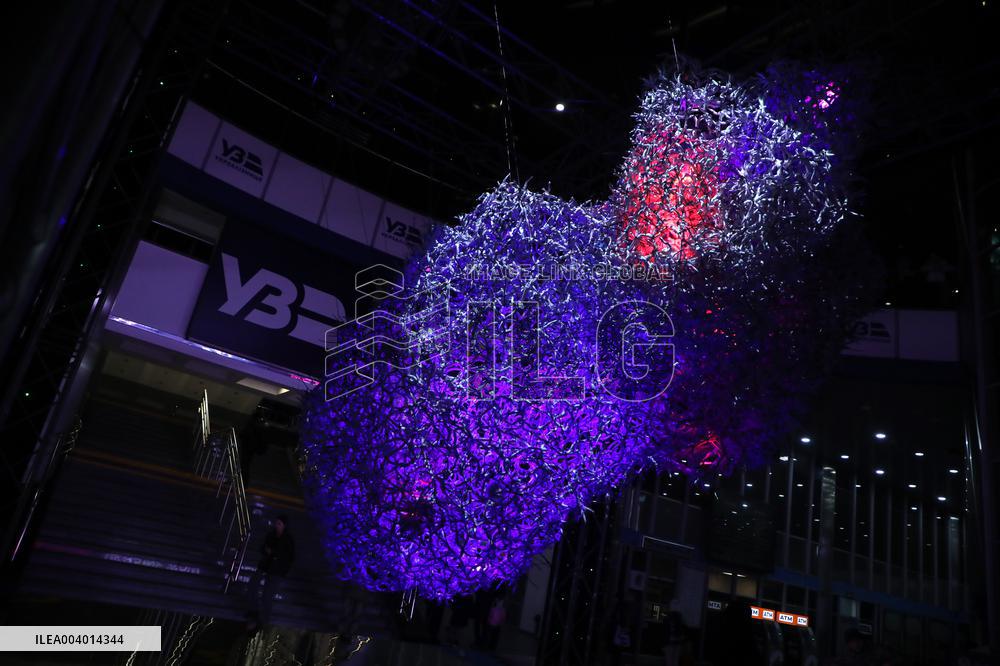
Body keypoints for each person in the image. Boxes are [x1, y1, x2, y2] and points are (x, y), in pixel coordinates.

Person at [247, 515, 295, 626]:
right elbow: (263, 547)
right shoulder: (271, 535)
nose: (276, 526)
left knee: (267, 596)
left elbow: (289, 557)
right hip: (265, 566)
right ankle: (253, 612)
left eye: (279, 524)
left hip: (277, 571)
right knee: (252, 586)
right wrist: (266, 551)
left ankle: (264, 619)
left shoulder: (288, 539)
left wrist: (275, 556)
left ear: (284, 526)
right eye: (276, 523)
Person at [662, 599, 686, 666]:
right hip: (677, 642)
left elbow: (665, 632)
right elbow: (681, 632)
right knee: (675, 661)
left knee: (669, 661)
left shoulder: (667, 618)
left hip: (669, 642)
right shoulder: (680, 618)